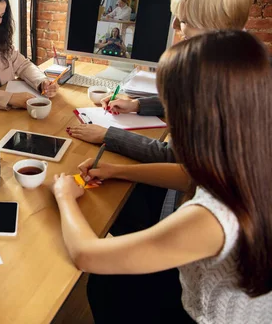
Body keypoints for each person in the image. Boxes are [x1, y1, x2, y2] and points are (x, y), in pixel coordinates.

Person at [53, 31, 272, 323]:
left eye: (171, 109)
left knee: (105, 287)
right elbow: (188, 177)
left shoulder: (210, 219)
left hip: (196, 314)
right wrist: (117, 170)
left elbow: (86, 254)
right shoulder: (251, 158)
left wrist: (64, 196)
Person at [67, 0, 253, 228]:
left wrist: (107, 136)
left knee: (100, 207)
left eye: (185, 20)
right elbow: (188, 107)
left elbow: (176, 160)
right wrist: (139, 106)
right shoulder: (238, 55)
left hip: (203, 213)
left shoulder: (224, 85)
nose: (176, 26)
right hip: (204, 194)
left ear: (216, 26)